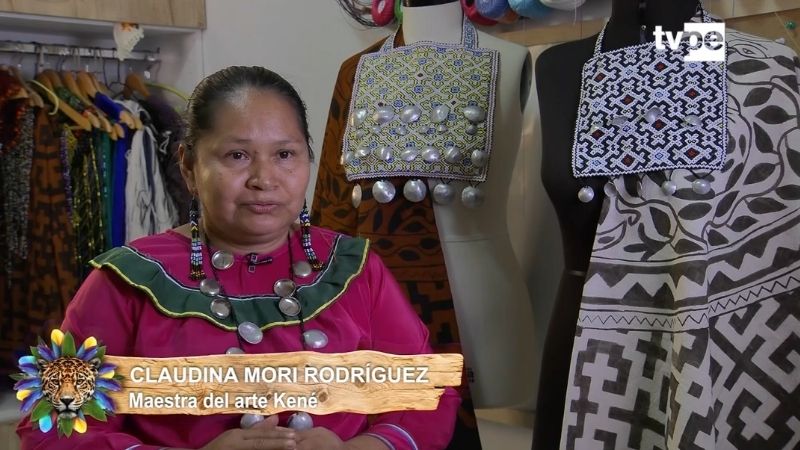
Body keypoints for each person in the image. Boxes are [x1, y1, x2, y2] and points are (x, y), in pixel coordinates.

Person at [17, 66, 460, 450]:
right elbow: (53, 422)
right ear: (189, 167)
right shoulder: (126, 280)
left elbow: (427, 395)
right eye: (237, 155)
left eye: (284, 154)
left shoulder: (354, 268)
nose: (264, 179)